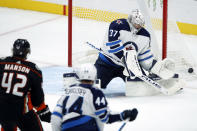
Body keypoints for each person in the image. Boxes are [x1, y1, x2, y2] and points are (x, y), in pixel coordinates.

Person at [94, 9, 180, 90]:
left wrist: (157, 68)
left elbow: (145, 58)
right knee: (95, 87)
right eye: (136, 24)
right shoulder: (117, 25)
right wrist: (126, 59)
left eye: (140, 25)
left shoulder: (145, 36)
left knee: (139, 87)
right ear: (130, 21)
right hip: (106, 63)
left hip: (127, 67)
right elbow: (113, 46)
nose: (138, 27)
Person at [51, 63, 138, 131]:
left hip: (67, 127)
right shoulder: (95, 92)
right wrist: (124, 115)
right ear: (94, 75)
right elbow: (105, 117)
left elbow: (55, 116)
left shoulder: (67, 92)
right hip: (87, 127)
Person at [0, 39, 51, 131]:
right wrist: (42, 110)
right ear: (27, 52)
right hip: (22, 112)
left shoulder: (1, 63)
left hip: (3, 111)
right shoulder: (34, 70)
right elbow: (37, 98)